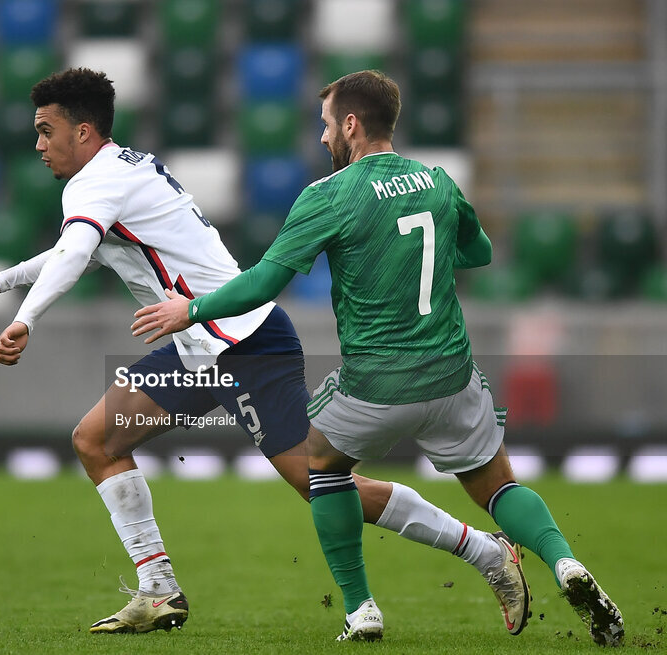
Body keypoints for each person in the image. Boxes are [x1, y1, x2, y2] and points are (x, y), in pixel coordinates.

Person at [0, 67, 527, 636]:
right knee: (97, 440)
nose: (38, 145)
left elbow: (76, 248)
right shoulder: (119, 170)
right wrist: (3, 281)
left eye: (45, 131)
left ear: (83, 132)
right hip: (200, 351)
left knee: (321, 483)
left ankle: (486, 552)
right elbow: (73, 250)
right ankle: (158, 590)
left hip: (245, 344)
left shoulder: (94, 186)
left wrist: (25, 318)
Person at [133, 69, 624, 645]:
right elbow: (482, 252)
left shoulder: (327, 197)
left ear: (351, 124)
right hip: (453, 376)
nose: (321, 139)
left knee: (322, 468)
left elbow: (265, 282)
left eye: (324, 126)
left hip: (375, 384)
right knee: (497, 487)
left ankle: (360, 606)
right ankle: (564, 562)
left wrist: (190, 312)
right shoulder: (438, 180)